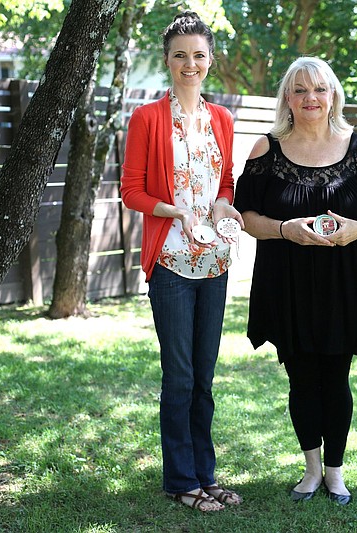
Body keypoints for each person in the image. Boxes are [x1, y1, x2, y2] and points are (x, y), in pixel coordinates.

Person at [233, 56, 357, 506]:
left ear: (333, 94)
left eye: (319, 89)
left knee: (337, 379)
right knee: (301, 380)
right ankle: (312, 469)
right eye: (299, 90)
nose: (310, 98)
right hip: (288, 283)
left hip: (344, 280)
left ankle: (336, 472)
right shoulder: (267, 149)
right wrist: (285, 229)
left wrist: (354, 230)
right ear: (287, 98)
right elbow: (246, 217)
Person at [120, 11, 244, 513]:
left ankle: (205, 475)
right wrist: (177, 212)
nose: (189, 64)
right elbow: (132, 192)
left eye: (198, 55)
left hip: (215, 261)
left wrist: (218, 206)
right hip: (171, 262)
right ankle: (180, 480)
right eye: (180, 55)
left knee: (205, 377)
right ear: (167, 61)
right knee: (180, 376)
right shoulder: (147, 118)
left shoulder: (223, 119)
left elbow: (226, 183)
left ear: (209, 60)